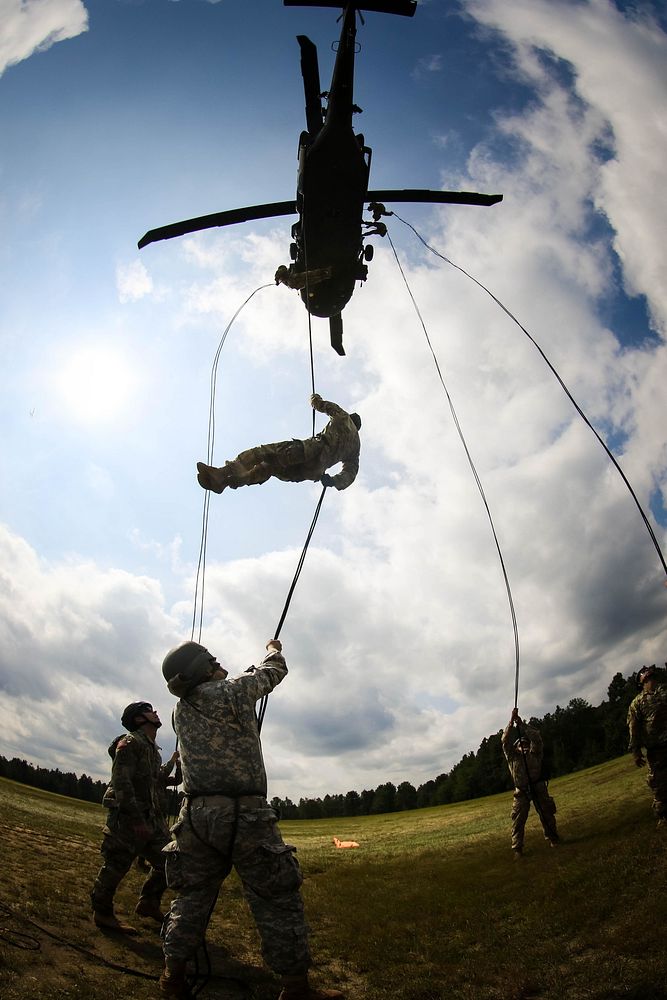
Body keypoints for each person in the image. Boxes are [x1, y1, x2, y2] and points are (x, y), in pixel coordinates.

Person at [159, 639, 343, 1000]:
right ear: (201, 669)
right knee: (277, 898)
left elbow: (235, 696)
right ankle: (295, 989)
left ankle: (173, 977)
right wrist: (273, 650)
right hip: (245, 814)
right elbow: (273, 672)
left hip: (195, 817)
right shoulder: (230, 693)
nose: (219, 662)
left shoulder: (180, 711)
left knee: (192, 898)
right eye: (212, 660)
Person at [91, 702, 171, 933]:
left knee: (170, 862)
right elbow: (121, 782)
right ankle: (103, 913)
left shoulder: (152, 749)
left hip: (151, 820)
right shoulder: (130, 743)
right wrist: (136, 821)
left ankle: (148, 902)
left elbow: (155, 782)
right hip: (128, 819)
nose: (156, 712)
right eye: (149, 710)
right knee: (115, 867)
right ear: (138, 719)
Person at [196, 393, 361, 494]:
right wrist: (333, 481)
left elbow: (320, 404)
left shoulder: (343, 416)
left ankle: (222, 473)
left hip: (308, 450)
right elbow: (350, 474)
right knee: (269, 468)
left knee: (265, 453)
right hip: (311, 471)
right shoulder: (355, 447)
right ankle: (226, 483)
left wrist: (313, 398)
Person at [501, 707, 559, 857]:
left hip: (538, 787)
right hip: (521, 791)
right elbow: (504, 740)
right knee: (518, 820)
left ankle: (553, 838)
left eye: (526, 744)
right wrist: (511, 722)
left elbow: (537, 737)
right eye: (520, 744)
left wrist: (521, 724)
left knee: (547, 814)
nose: (524, 746)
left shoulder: (536, 753)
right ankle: (517, 849)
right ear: (515, 748)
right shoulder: (512, 758)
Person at [627, 663, 667, 827]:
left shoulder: (665, 692)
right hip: (657, 750)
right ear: (642, 683)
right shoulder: (637, 703)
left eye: (652, 677)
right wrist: (636, 752)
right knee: (659, 784)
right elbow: (633, 729)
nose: (651, 681)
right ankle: (664, 816)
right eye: (648, 679)